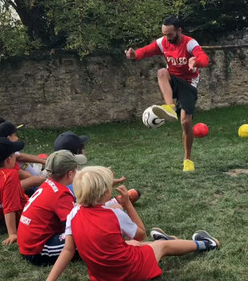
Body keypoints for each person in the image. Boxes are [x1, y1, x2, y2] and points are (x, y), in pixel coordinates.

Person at [46, 166, 219, 281]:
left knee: (134, 244)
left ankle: (167, 241)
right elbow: (141, 233)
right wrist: (127, 204)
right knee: (161, 246)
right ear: (105, 192)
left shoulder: (73, 214)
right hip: (129, 271)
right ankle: (205, 243)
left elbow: (68, 250)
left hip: (103, 276)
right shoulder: (114, 214)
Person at [125, 15, 209, 171]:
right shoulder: (163, 43)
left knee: (185, 122)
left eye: (170, 34)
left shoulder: (190, 43)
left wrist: (195, 61)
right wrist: (134, 55)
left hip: (189, 84)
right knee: (162, 72)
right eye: (164, 34)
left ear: (179, 30)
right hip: (173, 79)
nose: (167, 37)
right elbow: (145, 51)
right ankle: (169, 106)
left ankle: (188, 160)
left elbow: (204, 59)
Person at [17, 150, 86, 266]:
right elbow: (74, 225)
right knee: (88, 236)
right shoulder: (61, 194)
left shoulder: (49, 184)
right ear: (70, 174)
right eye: (76, 169)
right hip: (38, 249)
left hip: (28, 243)